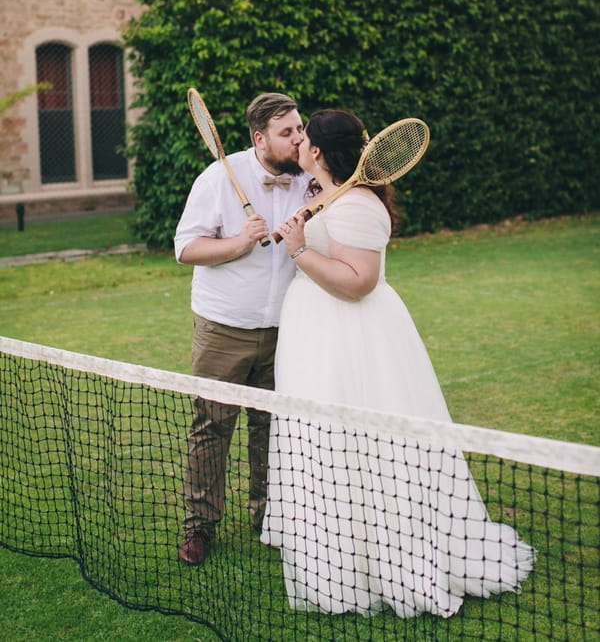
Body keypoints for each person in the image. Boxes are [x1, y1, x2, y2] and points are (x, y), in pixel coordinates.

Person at [260, 108, 535, 617]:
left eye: (303, 136)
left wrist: (299, 251)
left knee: (368, 447)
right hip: (315, 339)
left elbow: (359, 282)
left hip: (353, 340)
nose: (295, 141)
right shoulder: (324, 197)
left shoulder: (359, 206)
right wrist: (301, 231)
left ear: (317, 151)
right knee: (323, 446)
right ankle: (337, 561)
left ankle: (394, 563)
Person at [174, 92, 310, 566]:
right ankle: (199, 527)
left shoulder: (311, 177)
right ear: (260, 138)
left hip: (286, 328)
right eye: (288, 132)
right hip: (224, 328)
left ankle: (267, 516)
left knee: (271, 429)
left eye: (300, 128)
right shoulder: (218, 177)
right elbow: (186, 249)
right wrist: (238, 242)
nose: (299, 138)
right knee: (211, 428)